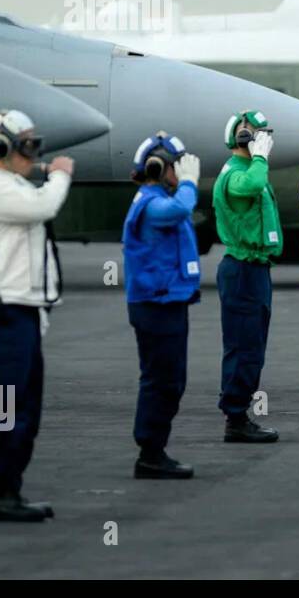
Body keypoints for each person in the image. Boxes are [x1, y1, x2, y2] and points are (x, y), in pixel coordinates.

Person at [0, 110, 73, 522]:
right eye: (27, 146)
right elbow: (44, 206)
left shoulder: (9, 185)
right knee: (5, 409)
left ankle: (8, 489)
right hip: (0, 314)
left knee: (25, 410)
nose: (34, 154)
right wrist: (59, 175)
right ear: (0, 148)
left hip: (17, 312)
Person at [121, 132, 202, 479]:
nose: (180, 172)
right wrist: (189, 183)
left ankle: (154, 450)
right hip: (156, 305)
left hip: (168, 301)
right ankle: (150, 454)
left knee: (170, 379)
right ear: (158, 166)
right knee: (161, 380)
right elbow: (180, 209)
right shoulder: (152, 203)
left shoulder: (157, 199)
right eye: (176, 166)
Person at [213, 109, 281, 443]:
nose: (265, 140)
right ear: (243, 137)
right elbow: (252, 185)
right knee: (244, 346)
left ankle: (238, 414)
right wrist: (260, 157)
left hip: (255, 268)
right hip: (242, 269)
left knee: (252, 344)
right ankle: (236, 418)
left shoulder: (248, 168)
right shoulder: (238, 173)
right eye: (258, 134)